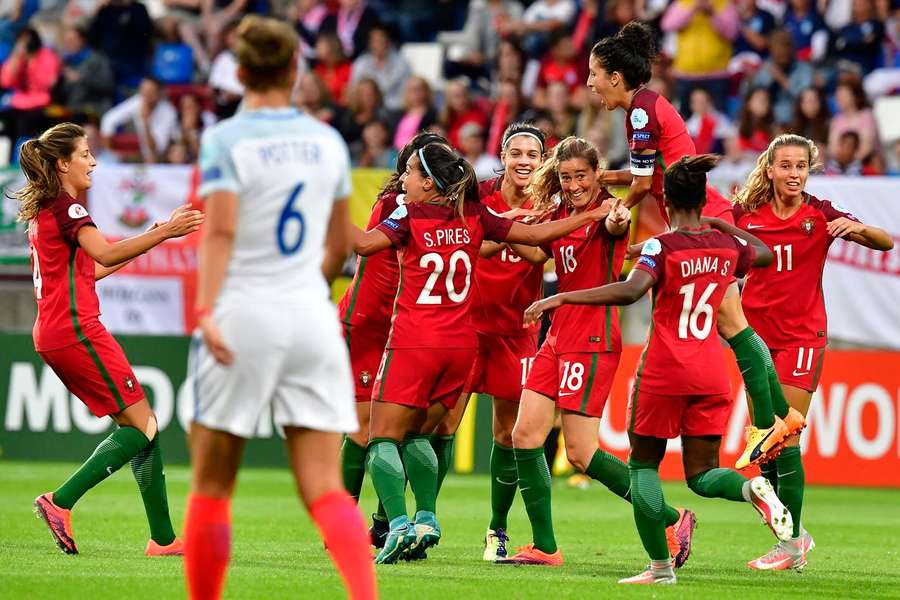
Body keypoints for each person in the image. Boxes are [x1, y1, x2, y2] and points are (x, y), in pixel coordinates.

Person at [523, 154, 794, 585]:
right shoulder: (723, 244)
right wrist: (724, 226)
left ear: (665, 204)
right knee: (703, 473)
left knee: (642, 468)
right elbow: (760, 254)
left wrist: (563, 297)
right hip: (711, 372)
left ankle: (660, 568)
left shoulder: (661, 246)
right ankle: (751, 489)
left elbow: (631, 291)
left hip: (665, 370)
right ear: (704, 201)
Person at [184, 16, 376, 600]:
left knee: (212, 487)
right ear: (295, 71)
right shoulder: (327, 141)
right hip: (311, 318)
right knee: (324, 488)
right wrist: (308, 293)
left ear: (238, 72)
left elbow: (219, 234)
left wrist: (205, 311)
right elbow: (342, 242)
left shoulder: (225, 139)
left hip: (244, 312)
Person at [353, 142, 616, 564]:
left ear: (428, 182)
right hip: (462, 342)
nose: (403, 181)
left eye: (411, 174)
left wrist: (326, 216)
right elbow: (530, 238)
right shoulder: (474, 211)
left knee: (382, 437)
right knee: (426, 433)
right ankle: (425, 518)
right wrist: (588, 215)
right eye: (516, 152)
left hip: (423, 339)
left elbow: (364, 246)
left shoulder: (412, 212)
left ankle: (399, 525)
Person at [587, 21, 802, 469]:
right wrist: (605, 177)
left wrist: (617, 217)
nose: (589, 83)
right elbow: (652, 173)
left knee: (733, 322)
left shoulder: (640, 113)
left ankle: (772, 421)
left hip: (705, 218)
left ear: (615, 77)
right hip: (700, 216)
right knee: (733, 322)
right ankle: (779, 418)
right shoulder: (644, 108)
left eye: (593, 74)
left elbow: (645, 185)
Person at [492, 137, 691, 568]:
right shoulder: (562, 212)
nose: (574, 185)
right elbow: (537, 251)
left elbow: (618, 226)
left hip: (592, 340)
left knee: (581, 454)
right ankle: (545, 546)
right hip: (556, 338)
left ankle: (672, 518)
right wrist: (507, 233)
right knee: (523, 435)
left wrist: (618, 217)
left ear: (597, 174)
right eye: (566, 178)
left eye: (581, 176)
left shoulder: (610, 210)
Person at [19, 122, 202, 557]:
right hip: (77, 330)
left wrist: (151, 238)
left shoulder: (46, 212)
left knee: (142, 427)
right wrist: (164, 232)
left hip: (55, 331)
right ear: (63, 163)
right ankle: (59, 502)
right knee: (144, 425)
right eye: (84, 154)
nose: (93, 161)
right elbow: (102, 252)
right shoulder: (69, 210)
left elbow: (93, 269)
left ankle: (163, 539)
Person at [733, 134, 892, 570]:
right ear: (770, 169)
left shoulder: (820, 214)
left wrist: (857, 228)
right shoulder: (746, 216)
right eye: (785, 165)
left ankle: (789, 545)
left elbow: (885, 242)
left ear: (809, 170)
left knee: (785, 437)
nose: (793, 174)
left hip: (802, 337)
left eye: (801, 166)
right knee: (762, 445)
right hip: (754, 339)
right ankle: (793, 535)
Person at [423, 123, 548, 562]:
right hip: (467, 326)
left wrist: (511, 232)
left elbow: (543, 252)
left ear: (542, 160)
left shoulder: (550, 204)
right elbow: (466, 246)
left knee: (507, 433)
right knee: (442, 423)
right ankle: (422, 517)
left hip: (517, 333)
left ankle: (497, 530)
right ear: (503, 155)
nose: (525, 161)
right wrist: (503, 228)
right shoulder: (480, 197)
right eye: (517, 153)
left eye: (533, 154)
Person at [338, 131, 449, 548]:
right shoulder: (397, 206)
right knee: (366, 431)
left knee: (412, 430)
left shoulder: (440, 213)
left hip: (405, 331)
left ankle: (394, 521)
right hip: (368, 325)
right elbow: (367, 247)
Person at [100, 76, 179, 164]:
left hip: (165, 155)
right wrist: (110, 152)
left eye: (150, 91)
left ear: (159, 93)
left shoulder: (168, 112)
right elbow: (108, 120)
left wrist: (146, 123)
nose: (145, 95)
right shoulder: (138, 101)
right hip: (145, 155)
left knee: (153, 158)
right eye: (143, 90)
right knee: (113, 161)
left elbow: (157, 149)